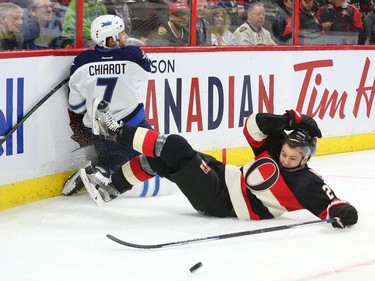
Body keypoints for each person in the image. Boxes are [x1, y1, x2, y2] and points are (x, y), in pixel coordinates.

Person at [81, 100, 358, 230]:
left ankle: (113, 131)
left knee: (175, 146)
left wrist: (345, 214)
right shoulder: (275, 147)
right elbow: (254, 124)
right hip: (222, 176)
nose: (285, 159)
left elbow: (333, 204)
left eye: (292, 158)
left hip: (220, 201)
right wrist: (291, 120)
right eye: (285, 152)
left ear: (306, 158)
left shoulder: (306, 182)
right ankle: (111, 189)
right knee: (157, 158)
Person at [62, 15, 153, 197]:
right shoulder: (133, 56)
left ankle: (99, 169)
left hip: (100, 131)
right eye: (121, 33)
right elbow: (147, 72)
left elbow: (77, 106)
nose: (125, 35)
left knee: (135, 161)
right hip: (132, 124)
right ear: (111, 39)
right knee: (150, 160)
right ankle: (96, 171)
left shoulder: (81, 62)